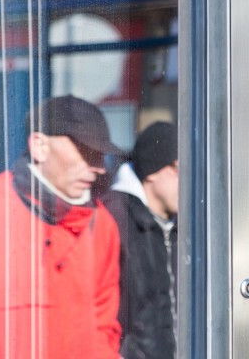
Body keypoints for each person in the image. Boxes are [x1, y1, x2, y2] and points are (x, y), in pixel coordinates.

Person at [0, 95, 124, 358]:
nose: (97, 167)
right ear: (39, 146)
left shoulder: (102, 224)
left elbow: (104, 328)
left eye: (100, 155)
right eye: (86, 151)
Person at [102, 122, 178, 359]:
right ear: (153, 172)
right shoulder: (114, 220)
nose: (192, 179)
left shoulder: (187, 225)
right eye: (180, 169)